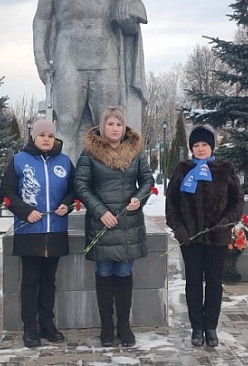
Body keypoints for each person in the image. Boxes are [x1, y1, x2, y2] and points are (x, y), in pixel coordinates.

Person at [33, 0, 148, 162]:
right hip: (68, 56)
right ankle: (66, 190)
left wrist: (131, 18)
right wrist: (41, 60)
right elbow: (42, 19)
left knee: (109, 127)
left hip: (107, 59)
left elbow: (129, 26)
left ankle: (108, 189)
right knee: (67, 125)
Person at [74, 106, 155, 347]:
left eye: (118, 124)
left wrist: (139, 198)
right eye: (110, 124)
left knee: (124, 274)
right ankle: (106, 327)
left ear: (124, 127)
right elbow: (81, 186)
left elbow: (147, 180)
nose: (114, 128)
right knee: (105, 274)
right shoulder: (90, 154)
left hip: (129, 224)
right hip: (103, 225)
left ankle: (124, 325)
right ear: (102, 126)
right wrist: (100, 212)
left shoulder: (136, 152)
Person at [164, 124, 244, 348]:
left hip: (217, 238)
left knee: (214, 283)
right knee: (193, 283)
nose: (200, 149)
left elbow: (238, 201)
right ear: (191, 148)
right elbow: (171, 202)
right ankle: (196, 327)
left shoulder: (225, 169)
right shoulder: (183, 169)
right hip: (190, 238)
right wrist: (178, 227)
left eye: (205, 144)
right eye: (196, 145)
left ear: (212, 147)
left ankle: (211, 327)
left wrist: (226, 221)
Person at [0, 119, 75, 349]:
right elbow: (7, 192)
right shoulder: (19, 160)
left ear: (55, 139)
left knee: (49, 281)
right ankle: (29, 328)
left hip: (55, 230)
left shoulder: (64, 161)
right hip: (29, 230)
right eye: (41, 135)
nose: (46, 139)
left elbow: (74, 189)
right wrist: (26, 212)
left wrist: (67, 204)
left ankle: (47, 325)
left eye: (50, 136)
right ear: (33, 137)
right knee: (30, 281)